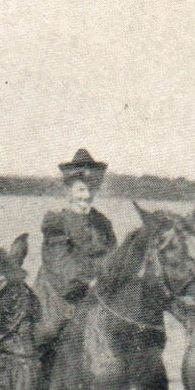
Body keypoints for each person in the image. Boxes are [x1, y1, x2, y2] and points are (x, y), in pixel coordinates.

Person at [36, 148, 117, 347]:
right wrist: (89, 280)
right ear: (69, 191)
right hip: (60, 294)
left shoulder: (103, 222)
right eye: (81, 190)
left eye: (92, 189)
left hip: (98, 291)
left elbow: (114, 257)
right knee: (46, 333)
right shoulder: (56, 221)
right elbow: (60, 264)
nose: (87, 196)